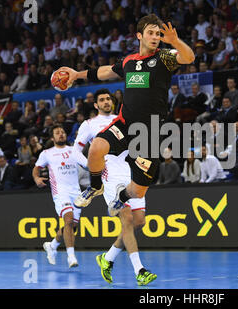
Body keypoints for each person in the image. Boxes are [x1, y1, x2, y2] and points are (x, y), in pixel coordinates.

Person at [56, 15, 194, 285]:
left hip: (150, 133)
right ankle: (95, 186)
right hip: (127, 123)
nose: (156, 36)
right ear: (139, 36)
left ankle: (122, 198)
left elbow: (188, 58)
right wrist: (77, 75)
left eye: (159, 33)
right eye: (151, 32)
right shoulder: (130, 62)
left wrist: (175, 41)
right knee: (97, 146)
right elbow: (103, 71)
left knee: (137, 193)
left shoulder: (165, 57)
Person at [74, 88, 149, 284]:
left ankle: (107, 259)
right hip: (110, 177)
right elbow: (76, 151)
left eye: (108, 99)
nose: (106, 102)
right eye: (102, 100)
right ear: (96, 105)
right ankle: (140, 271)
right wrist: (93, 166)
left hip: (132, 173)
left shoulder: (123, 119)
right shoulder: (89, 125)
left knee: (139, 221)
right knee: (126, 218)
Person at [33, 125, 88, 268]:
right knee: (68, 220)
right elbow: (36, 168)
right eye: (57, 133)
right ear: (53, 138)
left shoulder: (74, 151)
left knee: (72, 226)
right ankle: (71, 257)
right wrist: (36, 178)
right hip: (60, 192)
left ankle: (52, 245)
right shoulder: (47, 153)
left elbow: (87, 164)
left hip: (76, 193)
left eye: (63, 132)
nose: (61, 134)